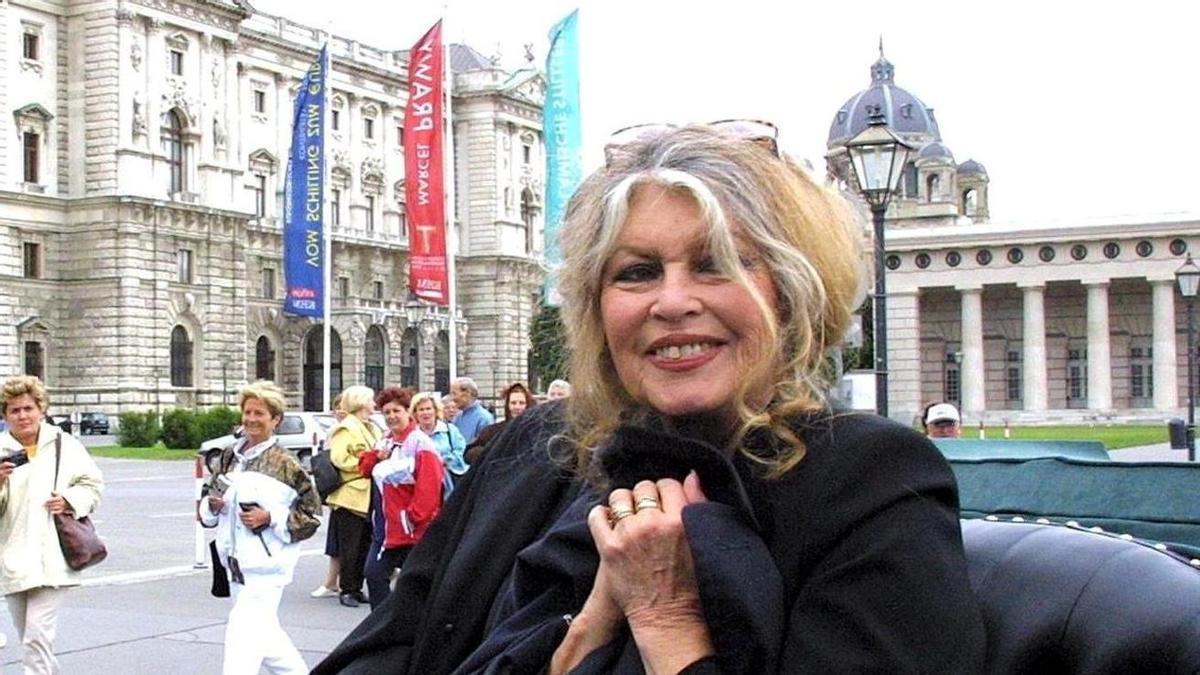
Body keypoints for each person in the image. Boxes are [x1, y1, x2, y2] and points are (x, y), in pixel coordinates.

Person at [314, 124, 984, 673]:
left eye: (715, 262)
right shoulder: (538, 448)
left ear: (792, 292)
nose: (672, 302)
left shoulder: (866, 480)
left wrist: (667, 620)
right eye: (636, 272)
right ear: (597, 309)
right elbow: (384, 648)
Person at [198, 380, 320, 674]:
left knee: (242, 641)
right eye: (248, 412)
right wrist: (212, 506)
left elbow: (311, 516)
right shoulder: (229, 456)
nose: (251, 419)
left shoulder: (286, 464)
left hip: (268, 567)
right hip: (235, 564)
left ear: (275, 419)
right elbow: (207, 496)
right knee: (267, 640)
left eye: (260, 414)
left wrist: (271, 517)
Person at [0, 375, 104, 674]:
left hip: (53, 557)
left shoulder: (64, 444)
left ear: (41, 409)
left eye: (28, 408)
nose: (22, 416)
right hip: (13, 559)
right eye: (14, 410)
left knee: (36, 638)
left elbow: (93, 485)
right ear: (5, 415)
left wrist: (70, 500)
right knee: (32, 640)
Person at [359, 387, 444, 610]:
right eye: (386, 412)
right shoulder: (385, 441)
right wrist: (376, 457)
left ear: (408, 412)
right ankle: (381, 627)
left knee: (416, 586)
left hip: (412, 532)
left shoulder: (420, 444)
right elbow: (365, 469)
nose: (391, 417)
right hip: (385, 530)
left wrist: (411, 518)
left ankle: (412, 628)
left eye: (396, 411)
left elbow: (430, 487)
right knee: (374, 575)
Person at [325, 385, 381, 608]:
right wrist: (365, 465)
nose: (374, 404)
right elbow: (339, 459)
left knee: (364, 545)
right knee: (350, 546)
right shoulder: (346, 428)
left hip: (369, 495)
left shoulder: (371, 427)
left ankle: (356, 587)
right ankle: (347, 588)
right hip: (350, 496)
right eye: (371, 400)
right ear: (360, 402)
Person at [312, 394, 347, 600]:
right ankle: (332, 581)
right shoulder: (336, 430)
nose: (340, 411)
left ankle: (338, 581)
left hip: (347, 491)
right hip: (337, 491)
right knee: (337, 540)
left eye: (343, 407)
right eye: (337, 407)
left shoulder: (353, 430)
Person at [465, 382, 538, 465]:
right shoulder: (493, 431)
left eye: (521, 403)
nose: (517, 407)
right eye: (513, 403)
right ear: (507, 405)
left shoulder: (535, 431)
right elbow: (469, 454)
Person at [410, 392, 468, 488]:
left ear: (436, 411)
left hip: (449, 483)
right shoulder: (412, 435)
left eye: (428, 409)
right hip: (421, 484)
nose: (425, 413)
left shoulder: (450, 430)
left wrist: (444, 461)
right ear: (415, 413)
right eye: (421, 410)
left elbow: (460, 453)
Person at [448, 377, 494, 444]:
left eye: (454, 394)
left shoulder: (484, 418)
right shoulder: (458, 416)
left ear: (467, 393)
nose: (452, 398)